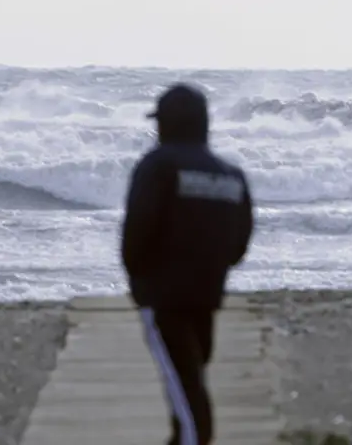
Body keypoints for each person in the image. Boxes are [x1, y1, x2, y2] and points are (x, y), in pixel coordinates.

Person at [121, 83, 255, 445]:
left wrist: (138, 279)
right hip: (207, 296)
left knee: (187, 393)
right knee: (188, 383)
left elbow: (137, 229)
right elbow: (239, 245)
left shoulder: (158, 165)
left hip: (164, 297)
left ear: (166, 124)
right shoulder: (230, 174)